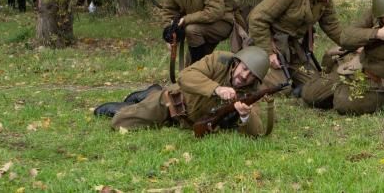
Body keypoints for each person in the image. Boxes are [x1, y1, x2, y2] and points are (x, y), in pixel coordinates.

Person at [247, 0, 372, 108]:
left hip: (293, 52)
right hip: (267, 47)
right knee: (281, 88)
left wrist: (355, 44)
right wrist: (268, 52)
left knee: (314, 85)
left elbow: (333, 27)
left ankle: (293, 86)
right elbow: (256, 18)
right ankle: (244, 70)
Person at [104, 47, 274, 137]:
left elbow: (257, 130)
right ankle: (149, 96)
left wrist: (246, 116)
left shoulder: (253, 92)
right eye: (244, 68)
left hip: (189, 121)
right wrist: (217, 89)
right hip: (173, 103)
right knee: (120, 121)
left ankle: (151, 93)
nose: (244, 76)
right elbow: (185, 76)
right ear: (237, 63)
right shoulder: (220, 60)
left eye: (251, 75)